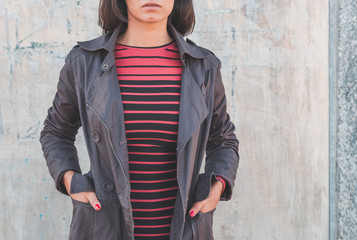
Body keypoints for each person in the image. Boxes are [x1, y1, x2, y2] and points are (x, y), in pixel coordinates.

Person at [39, 0, 239, 239]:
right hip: (104, 228)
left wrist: (218, 186)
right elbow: (56, 131)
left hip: (184, 230)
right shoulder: (83, 63)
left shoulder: (203, 67)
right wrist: (70, 179)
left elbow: (223, 140)